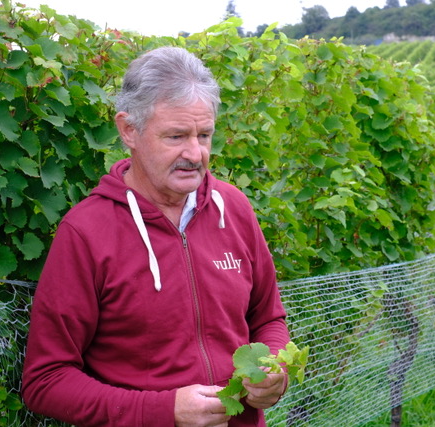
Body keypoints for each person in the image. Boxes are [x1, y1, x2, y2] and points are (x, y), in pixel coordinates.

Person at [22, 46, 290, 427]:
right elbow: (45, 382)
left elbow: (268, 319)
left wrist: (275, 369)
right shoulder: (85, 233)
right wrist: (163, 411)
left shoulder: (235, 208)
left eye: (205, 135)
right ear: (128, 130)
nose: (195, 154)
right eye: (177, 136)